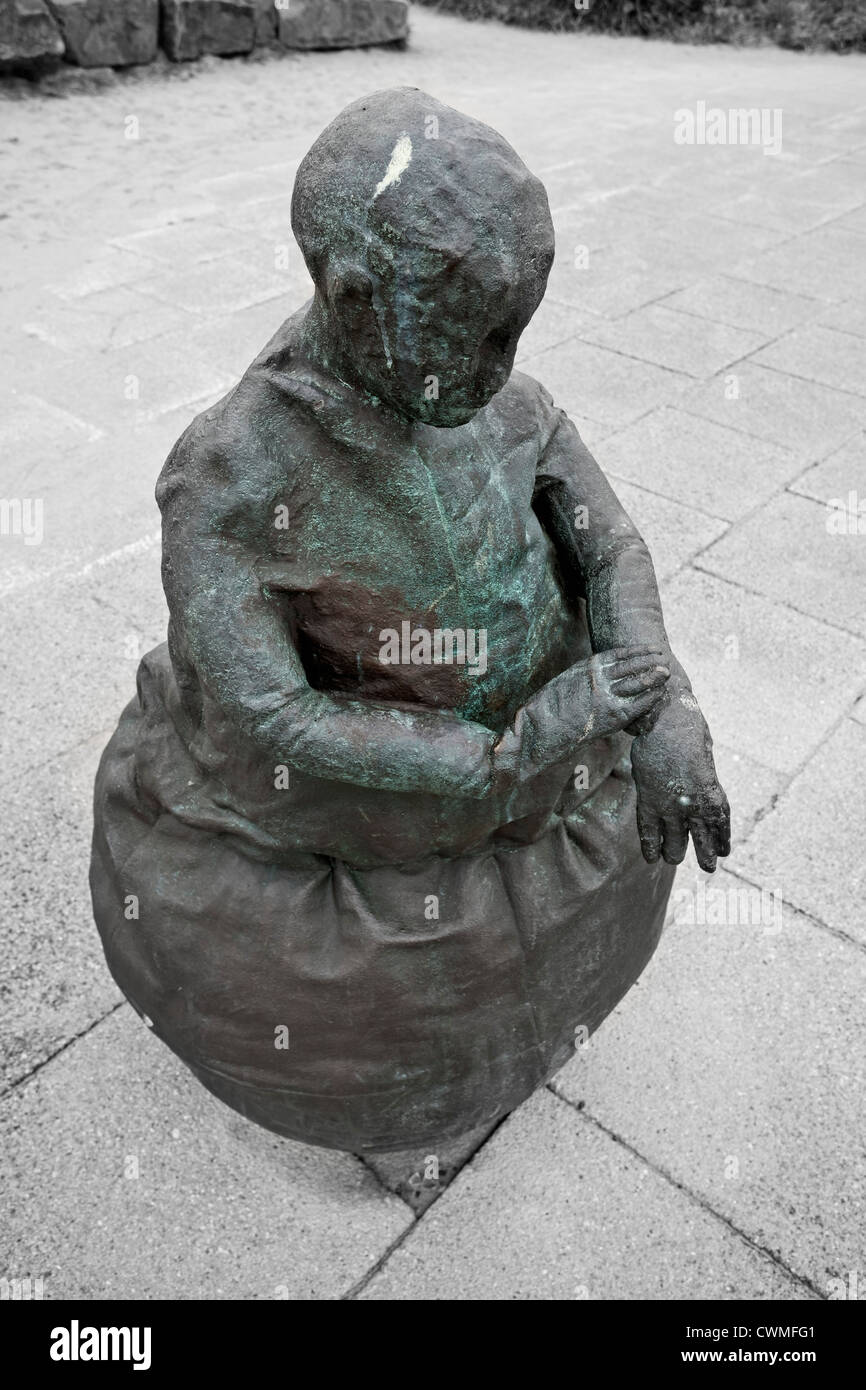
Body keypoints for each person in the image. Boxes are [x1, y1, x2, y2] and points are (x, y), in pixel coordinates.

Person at [91, 89, 729, 1153]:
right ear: (348, 296)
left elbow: (607, 544)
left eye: (510, 334)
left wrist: (660, 701)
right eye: (468, 343)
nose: (496, 376)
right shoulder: (233, 473)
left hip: (532, 775)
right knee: (355, 994)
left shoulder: (509, 405)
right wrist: (504, 750)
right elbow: (271, 719)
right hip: (363, 808)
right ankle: (387, 1107)